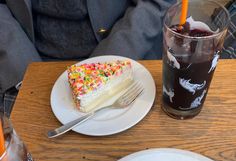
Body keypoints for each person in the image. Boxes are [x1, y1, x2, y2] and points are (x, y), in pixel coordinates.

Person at [0, 0, 175, 115]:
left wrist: (103, 71)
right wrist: (26, 72)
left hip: (124, 50)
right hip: (23, 56)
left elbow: (155, 3)